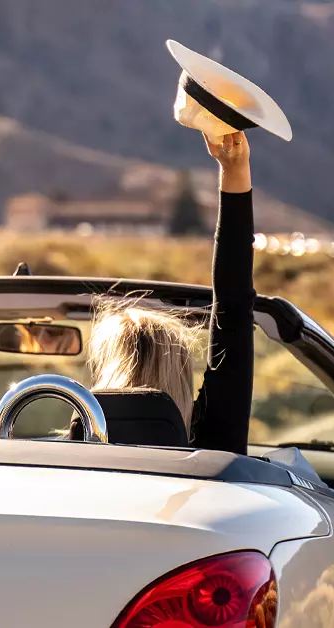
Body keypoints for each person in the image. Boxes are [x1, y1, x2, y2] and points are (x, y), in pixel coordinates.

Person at [86, 130, 255, 455]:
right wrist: (234, 171)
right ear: (179, 375)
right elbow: (234, 308)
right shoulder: (213, 448)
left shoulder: (70, 458)